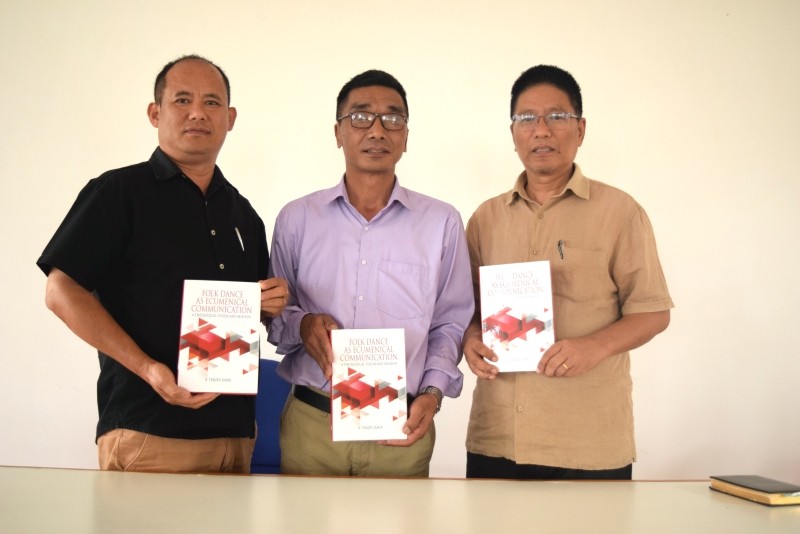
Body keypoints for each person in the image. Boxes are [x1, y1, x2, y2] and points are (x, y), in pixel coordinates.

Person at [37, 55, 288, 474]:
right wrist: (148, 369)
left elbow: (253, 310)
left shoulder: (243, 214)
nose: (197, 113)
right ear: (155, 113)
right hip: (149, 433)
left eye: (211, 103)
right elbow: (60, 291)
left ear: (230, 118)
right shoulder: (119, 193)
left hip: (235, 438)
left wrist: (270, 302)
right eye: (182, 100)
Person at [462, 65, 674, 480]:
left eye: (556, 116)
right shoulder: (486, 218)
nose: (541, 130)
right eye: (527, 119)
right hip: (498, 437)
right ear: (513, 133)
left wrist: (593, 347)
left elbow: (653, 311)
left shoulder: (620, 212)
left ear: (580, 128)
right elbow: (464, 309)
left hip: (588, 443)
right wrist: (470, 339)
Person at [267, 69, 474, 477]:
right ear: (338, 132)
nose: (377, 130)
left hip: (401, 430)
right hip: (313, 426)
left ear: (406, 136)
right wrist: (303, 324)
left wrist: (432, 395)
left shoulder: (442, 223)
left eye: (392, 119)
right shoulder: (296, 219)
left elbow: (450, 323)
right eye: (361, 117)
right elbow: (273, 315)